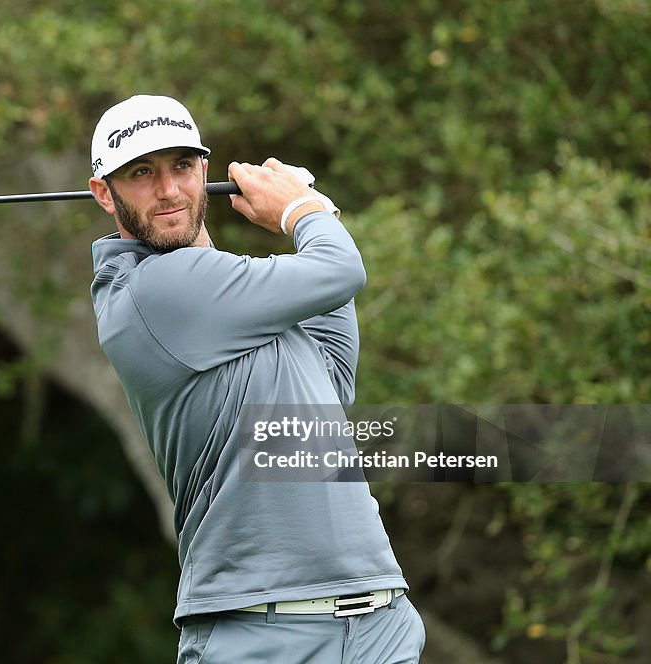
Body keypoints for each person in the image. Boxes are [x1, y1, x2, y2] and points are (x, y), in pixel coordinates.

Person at [88, 94, 425, 663]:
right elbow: (341, 268)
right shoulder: (155, 289)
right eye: (142, 173)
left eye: (183, 167)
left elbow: (333, 376)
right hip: (260, 633)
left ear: (204, 171)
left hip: (377, 621)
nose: (169, 190)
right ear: (104, 192)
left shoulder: (229, 305)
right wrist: (301, 210)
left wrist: (314, 211)